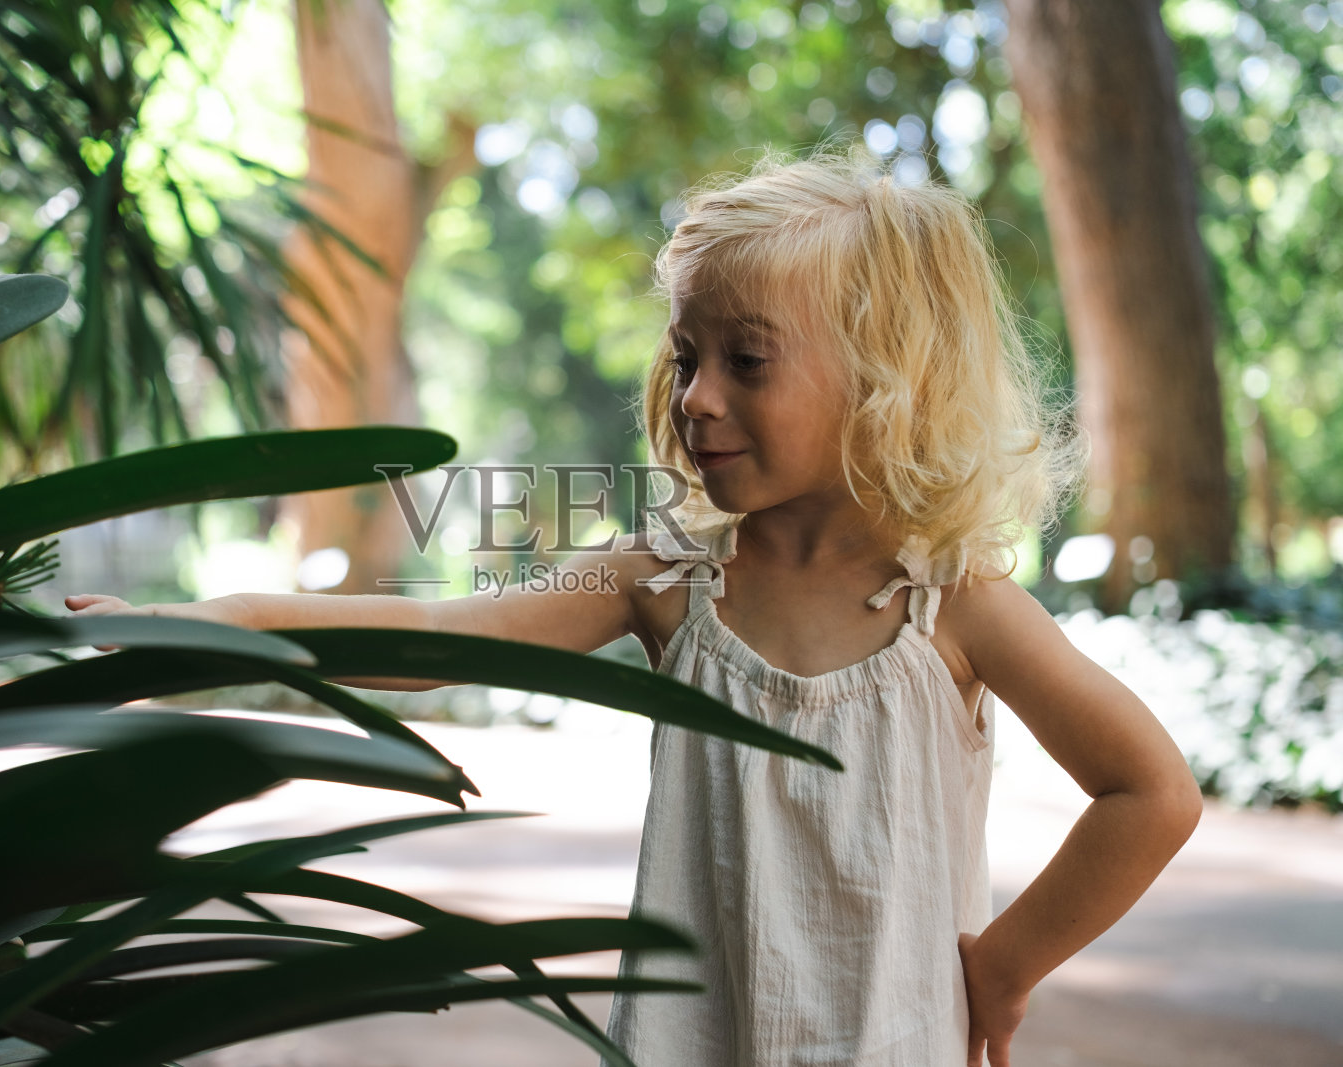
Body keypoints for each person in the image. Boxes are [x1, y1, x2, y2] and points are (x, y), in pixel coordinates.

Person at [65, 146, 1203, 1067]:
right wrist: (232, 620)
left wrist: (1003, 963)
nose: (696, 397)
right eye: (686, 356)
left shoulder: (949, 603)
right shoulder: (666, 577)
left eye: (746, 361)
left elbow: (1148, 790)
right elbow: (441, 641)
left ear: (882, 378)